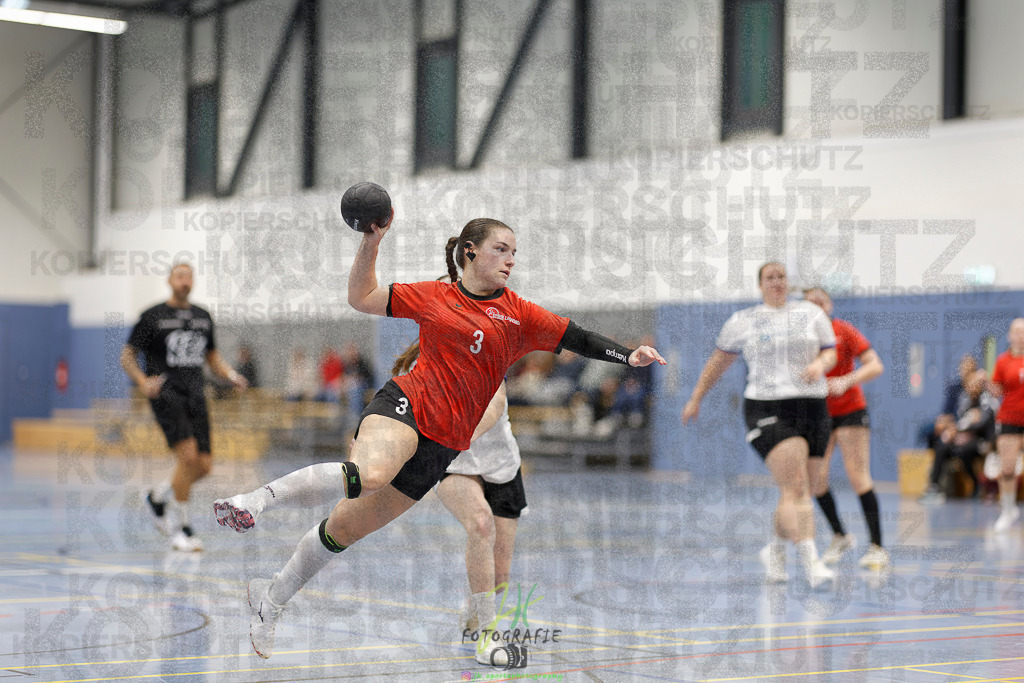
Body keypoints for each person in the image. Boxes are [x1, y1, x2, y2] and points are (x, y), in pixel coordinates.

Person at [213, 213, 666, 664]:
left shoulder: (519, 315)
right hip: (406, 408)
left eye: (514, 252)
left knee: (344, 529)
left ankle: (269, 598)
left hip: (443, 446)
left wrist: (629, 355)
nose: (510, 260)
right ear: (470, 250)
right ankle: (254, 501)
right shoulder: (435, 296)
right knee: (369, 474)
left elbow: (577, 337)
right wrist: (371, 242)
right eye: (500, 249)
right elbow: (362, 296)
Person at [682, 262, 837, 588]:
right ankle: (812, 562)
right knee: (797, 487)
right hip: (768, 407)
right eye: (770, 278)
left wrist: (819, 364)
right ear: (760, 285)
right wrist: (696, 397)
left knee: (799, 487)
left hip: (813, 406)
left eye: (782, 276)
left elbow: (830, 354)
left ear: (788, 282)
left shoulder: (811, 314)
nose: (777, 282)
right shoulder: (744, 321)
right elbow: (718, 362)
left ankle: (776, 549)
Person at [391, 339, 525, 660]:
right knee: (480, 522)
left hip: (501, 466)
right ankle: (488, 637)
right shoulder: (420, 366)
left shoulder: (491, 350)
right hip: (454, 464)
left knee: (500, 578)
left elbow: (495, 405)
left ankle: (474, 613)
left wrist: (463, 433)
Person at [121, 262, 247, 552]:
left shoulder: (203, 317)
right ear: (169, 280)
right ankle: (182, 528)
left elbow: (212, 358)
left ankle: (157, 497)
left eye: (189, 276)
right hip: (166, 393)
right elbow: (127, 356)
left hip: (196, 393)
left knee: (203, 466)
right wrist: (142, 381)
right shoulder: (152, 317)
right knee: (188, 457)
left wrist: (231, 375)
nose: (185, 281)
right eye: (179, 276)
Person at [802, 287, 889, 571]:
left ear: (830, 304)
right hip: (818, 414)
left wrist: (848, 380)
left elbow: (875, 365)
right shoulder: (800, 340)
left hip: (851, 411)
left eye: (821, 302)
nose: (816, 307)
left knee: (858, 476)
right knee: (816, 479)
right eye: (809, 303)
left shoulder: (844, 331)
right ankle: (840, 536)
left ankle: (877, 547)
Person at [920, 369, 997, 504]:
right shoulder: (964, 400)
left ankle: (976, 484)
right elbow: (961, 420)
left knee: (965, 450)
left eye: (976, 383)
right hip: (961, 439)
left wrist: (962, 427)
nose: (973, 386)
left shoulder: (987, 400)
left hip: (981, 441)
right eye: (970, 383)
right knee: (942, 447)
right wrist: (953, 428)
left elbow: (981, 424)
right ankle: (935, 487)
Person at [988, 318, 1024, 532]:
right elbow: (997, 390)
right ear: (1010, 335)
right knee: (1008, 467)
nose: (1020, 335)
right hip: (1009, 419)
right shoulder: (1003, 361)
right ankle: (1008, 510)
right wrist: (987, 384)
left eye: (1023, 331)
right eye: (1017, 331)